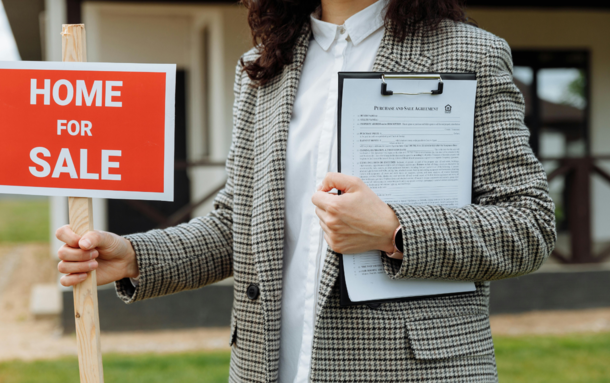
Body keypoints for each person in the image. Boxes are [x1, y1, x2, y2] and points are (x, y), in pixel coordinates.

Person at [55, 0, 556, 381]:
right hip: (269, 365)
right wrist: (134, 255)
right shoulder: (262, 67)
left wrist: (394, 230)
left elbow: (528, 223)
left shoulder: (470, 53)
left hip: (412, 368)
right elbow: (239, 224)